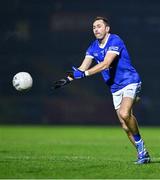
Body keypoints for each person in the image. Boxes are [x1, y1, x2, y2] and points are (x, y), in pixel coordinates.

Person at [53, 16, 150, 164]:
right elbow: (82, 68)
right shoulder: (92, 47)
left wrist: (84, 74)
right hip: (115, 88)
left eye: (99, 26)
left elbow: (105, 64)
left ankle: (141, 146)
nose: (96, 29)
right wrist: (68, 79)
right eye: (93, 27)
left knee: (125, 113)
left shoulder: (115, 40)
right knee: (125, 125)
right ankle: (143, 154)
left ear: (107, 29)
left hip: (130, 81)